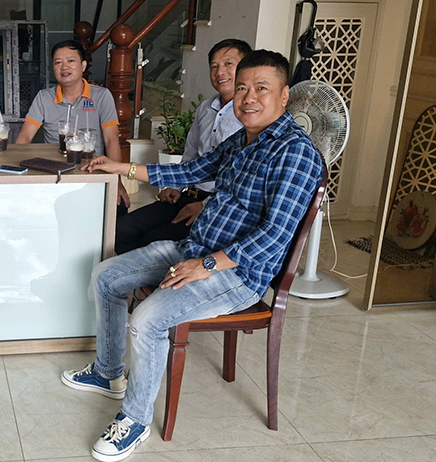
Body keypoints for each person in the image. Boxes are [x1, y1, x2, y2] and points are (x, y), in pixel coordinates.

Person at [64, 50, 323, 462]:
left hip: (237, 273)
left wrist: (206, 265)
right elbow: (189, 172)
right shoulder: (243, 140)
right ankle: (108, 372)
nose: (248, 98)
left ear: (284, 95)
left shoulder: (295, 152)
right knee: (106, 275)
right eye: (242, 88)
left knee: (146, 320)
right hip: (195, 248)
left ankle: (135, 420)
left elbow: (274, 236)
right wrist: (120, 167)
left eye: (261, 88)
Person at [115, 39, 252, 254]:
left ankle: (157, 275)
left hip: (218, 206)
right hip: (188, 195)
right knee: (121, 230)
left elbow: (245, 181)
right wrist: (175, 187)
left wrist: (206, 207)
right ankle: (132, 275)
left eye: (228, 64)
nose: (219, 72)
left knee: (153, 242)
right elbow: (191, 155)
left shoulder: (251, 116)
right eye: (214, 66)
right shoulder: (206, 108)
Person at [16, 39, 131, 212]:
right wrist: (18, 176)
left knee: (117, 208)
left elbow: (111, 140)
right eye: (58, 62)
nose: (64, 67)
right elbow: (25, 137)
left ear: (83, 65)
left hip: (92, 171)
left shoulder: (101, 96)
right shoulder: (44, 97)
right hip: (54, 173)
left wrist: (117, 181)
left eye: (70, 61)